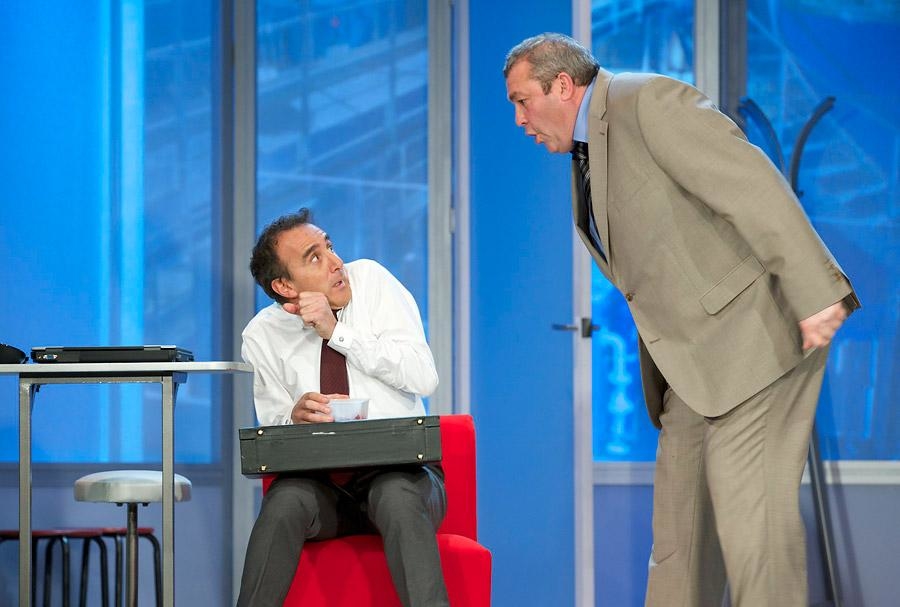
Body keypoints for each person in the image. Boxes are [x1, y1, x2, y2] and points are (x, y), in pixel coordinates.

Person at [503, 33, 859, 607]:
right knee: (678, 546)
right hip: (692, 369)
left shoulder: (646, 101)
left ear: (562, 85)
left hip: (755, 344)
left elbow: (748, 185)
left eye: (523, 101)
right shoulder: (587, 153)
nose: (519, 120)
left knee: (754, 534)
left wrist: (816, 292)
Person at [236, 208, 449, 607]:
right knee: (284, 502)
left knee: (395, 494)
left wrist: (337, 332)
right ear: (284, 285)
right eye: (314, 258)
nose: (336, 262)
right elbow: (272, 428)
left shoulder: (372, 281)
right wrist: (293, 418)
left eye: (330, 247)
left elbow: (424, 377)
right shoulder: (262, 335)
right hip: (325, 488)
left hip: (405, 476)